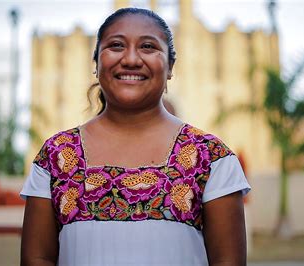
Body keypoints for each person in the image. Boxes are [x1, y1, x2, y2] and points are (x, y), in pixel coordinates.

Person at [20, 7, 250, 266]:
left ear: (170, 67)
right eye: (116, 45)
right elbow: (37, 259)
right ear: (96, 64)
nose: (131, 59)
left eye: (148, 47)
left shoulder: (210, 156)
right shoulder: (57, 155)